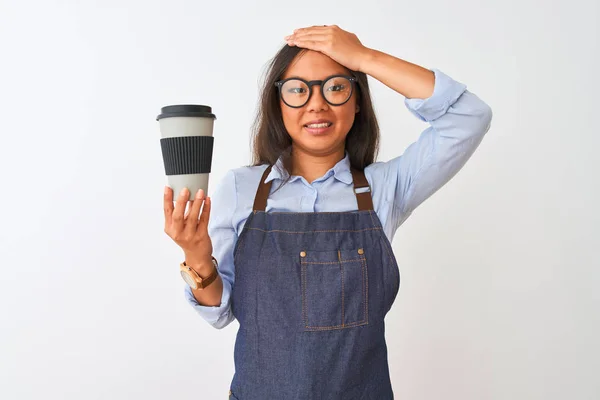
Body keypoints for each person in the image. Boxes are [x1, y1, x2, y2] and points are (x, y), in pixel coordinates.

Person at [163, 25, 492, 400]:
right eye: (298, 90)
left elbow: (469, 116)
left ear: (357, 101)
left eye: (336, 87)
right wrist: (196, 256)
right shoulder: (241, 189)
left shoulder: (384, 189)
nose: (316, 104)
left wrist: (363, 57)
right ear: (279, 104)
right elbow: (219, 313)